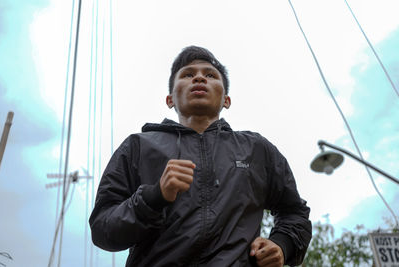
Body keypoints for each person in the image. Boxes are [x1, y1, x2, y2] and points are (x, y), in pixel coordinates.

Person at [89, 46, 312, 267]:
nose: (199, 78)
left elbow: (295, 213)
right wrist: (154, 197)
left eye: (210, 75)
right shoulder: (137, 147)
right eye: (187, 74)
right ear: (170, 100)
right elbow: (102, 229)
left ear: (226, 99)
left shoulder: (256, 149)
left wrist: (282, 245)